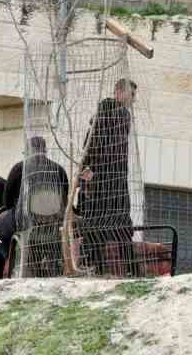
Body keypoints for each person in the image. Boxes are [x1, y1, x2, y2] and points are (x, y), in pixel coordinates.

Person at [76, 79, 138, 274]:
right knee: (120, 225)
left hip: (99, 181)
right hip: (111, 181)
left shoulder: (100, 116)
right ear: (119, 92)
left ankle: (95, 267)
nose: (134, 100)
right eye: (132, 94)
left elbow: (90, 147)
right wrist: (91, 170)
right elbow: (101, 147)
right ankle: (130, 270)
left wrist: (87, 172)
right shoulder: (119, 115)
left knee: (97, 225)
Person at [0, 137, 68, 276]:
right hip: (55, 222)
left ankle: (7, 260)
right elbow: (65, 198)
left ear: (28, 151)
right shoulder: (59, 170)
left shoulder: (19, 168)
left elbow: (7, 200)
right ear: (44, 150)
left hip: (26, 221)